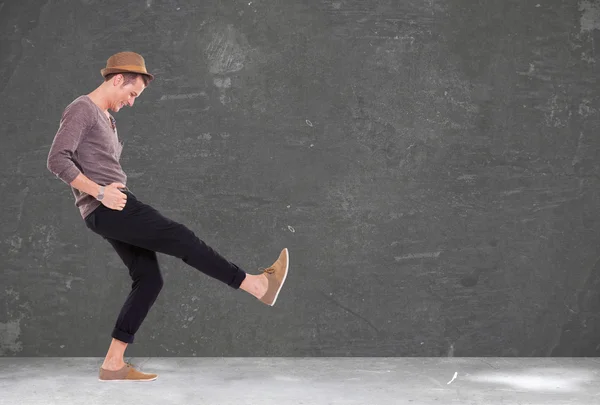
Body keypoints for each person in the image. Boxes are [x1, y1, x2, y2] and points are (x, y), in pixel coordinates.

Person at [46, 51, 289, 382]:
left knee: (149, 279)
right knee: (182, 238)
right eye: (131, 94)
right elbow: (57, 160)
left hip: (110, 207)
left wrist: (108, 190)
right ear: (117, 79)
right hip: (107, 207)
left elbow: (99, 161)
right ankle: (256, 285)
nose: (132, 102)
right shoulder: (82, 109)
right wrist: (100, 192)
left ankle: (113, 363)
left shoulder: (107, 118)